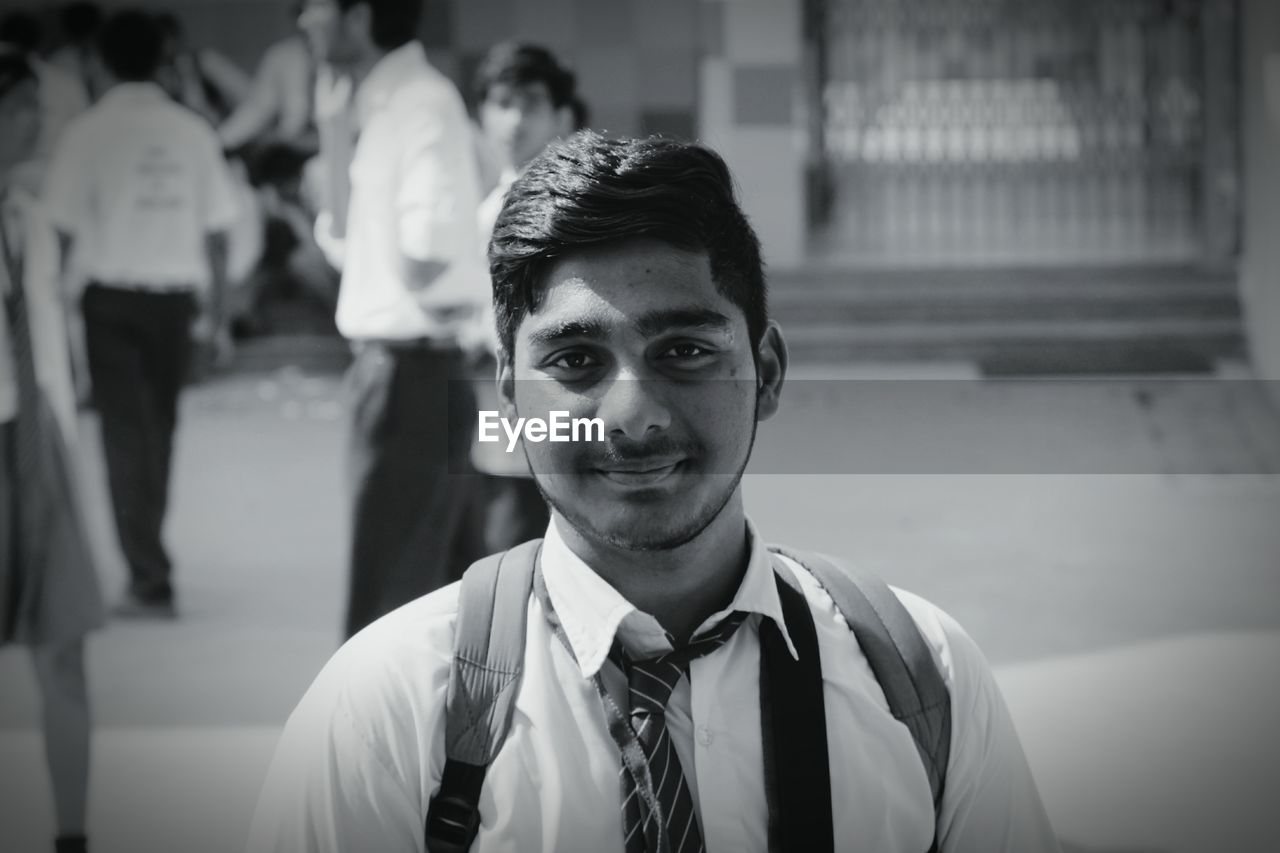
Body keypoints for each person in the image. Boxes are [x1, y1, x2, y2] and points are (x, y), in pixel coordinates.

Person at [246, 132, 1061, 852]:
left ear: (767, 371)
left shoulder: (920, 679)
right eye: (574, 361)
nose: (632, 417)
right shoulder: (386, 711)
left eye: (684, 350)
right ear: (509, 398)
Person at [298, 0, 488, 638]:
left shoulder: (418, 104)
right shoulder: (385, 104)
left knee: (394, 604)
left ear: (359, 17)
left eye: (315, 8)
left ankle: (383, 739)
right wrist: (330, 134)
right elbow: (351, 247)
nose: (304, 22)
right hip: (404, 369)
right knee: (430, 591)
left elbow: (426, 251)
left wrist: (442, 305)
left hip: (414, 371)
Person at [42, 9, 240, 618]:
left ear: (99, 63)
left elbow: (63, 230)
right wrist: (219, 316)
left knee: (129, 441)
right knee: (158, 435)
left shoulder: (86, 132)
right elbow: (217, 235)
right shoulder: (193, 130)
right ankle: (149, 562)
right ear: (160, 60)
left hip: (111, 305)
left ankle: (148, 574)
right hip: (174, 308)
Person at [0, 53, 103, 853]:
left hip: (37, 448)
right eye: (20, 106)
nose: (35, 120)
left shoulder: (27, 220)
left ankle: (72, 833)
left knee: (63, 645)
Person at [464, 43, 580, 554]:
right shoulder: (487, 208)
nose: (514, 121)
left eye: (530, 104)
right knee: (510, 539)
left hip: (556, 400)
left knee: (531, 538)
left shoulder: (576, 209)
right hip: (496, 406)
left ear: (560, 115)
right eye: (501, 104)